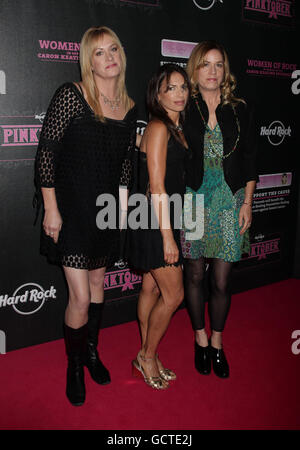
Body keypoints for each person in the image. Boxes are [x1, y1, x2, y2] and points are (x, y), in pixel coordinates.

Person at [35, 26, 137, 406]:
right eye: (98, 52)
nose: (108, 57)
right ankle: (74, 364)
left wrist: (123, 206)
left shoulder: (128, 107)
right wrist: (51, 209)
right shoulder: (71, 96)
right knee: (79, 297)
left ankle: (91, 351)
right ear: (88, 60)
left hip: (105, 213)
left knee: (98, 286)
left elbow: (126, 163)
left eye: (113, 49)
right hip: (72, 212)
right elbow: (46, 154)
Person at [181, 41, 258, 378]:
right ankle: (199, 338)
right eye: (205, 65)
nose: (212, 72)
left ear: (225, 71)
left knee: (222, 281)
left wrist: (248, 202)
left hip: (229, 200)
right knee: (196, 273)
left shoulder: (239, 108)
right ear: (195, 70)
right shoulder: (183, 106)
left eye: (218, 65)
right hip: (195, 200)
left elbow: (252, 157)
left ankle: (217, 342)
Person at [126, 64, 190, 389]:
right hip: (154, 221)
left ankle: (146, 352)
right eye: (171, 88)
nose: (179, 94)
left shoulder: (171, 127)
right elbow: (156, 187)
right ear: (158, 94)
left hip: (157, 218)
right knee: (174, 294)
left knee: (151, 288)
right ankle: (147, 356)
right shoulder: (159, 128)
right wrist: (168, 238)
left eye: (183, 87)